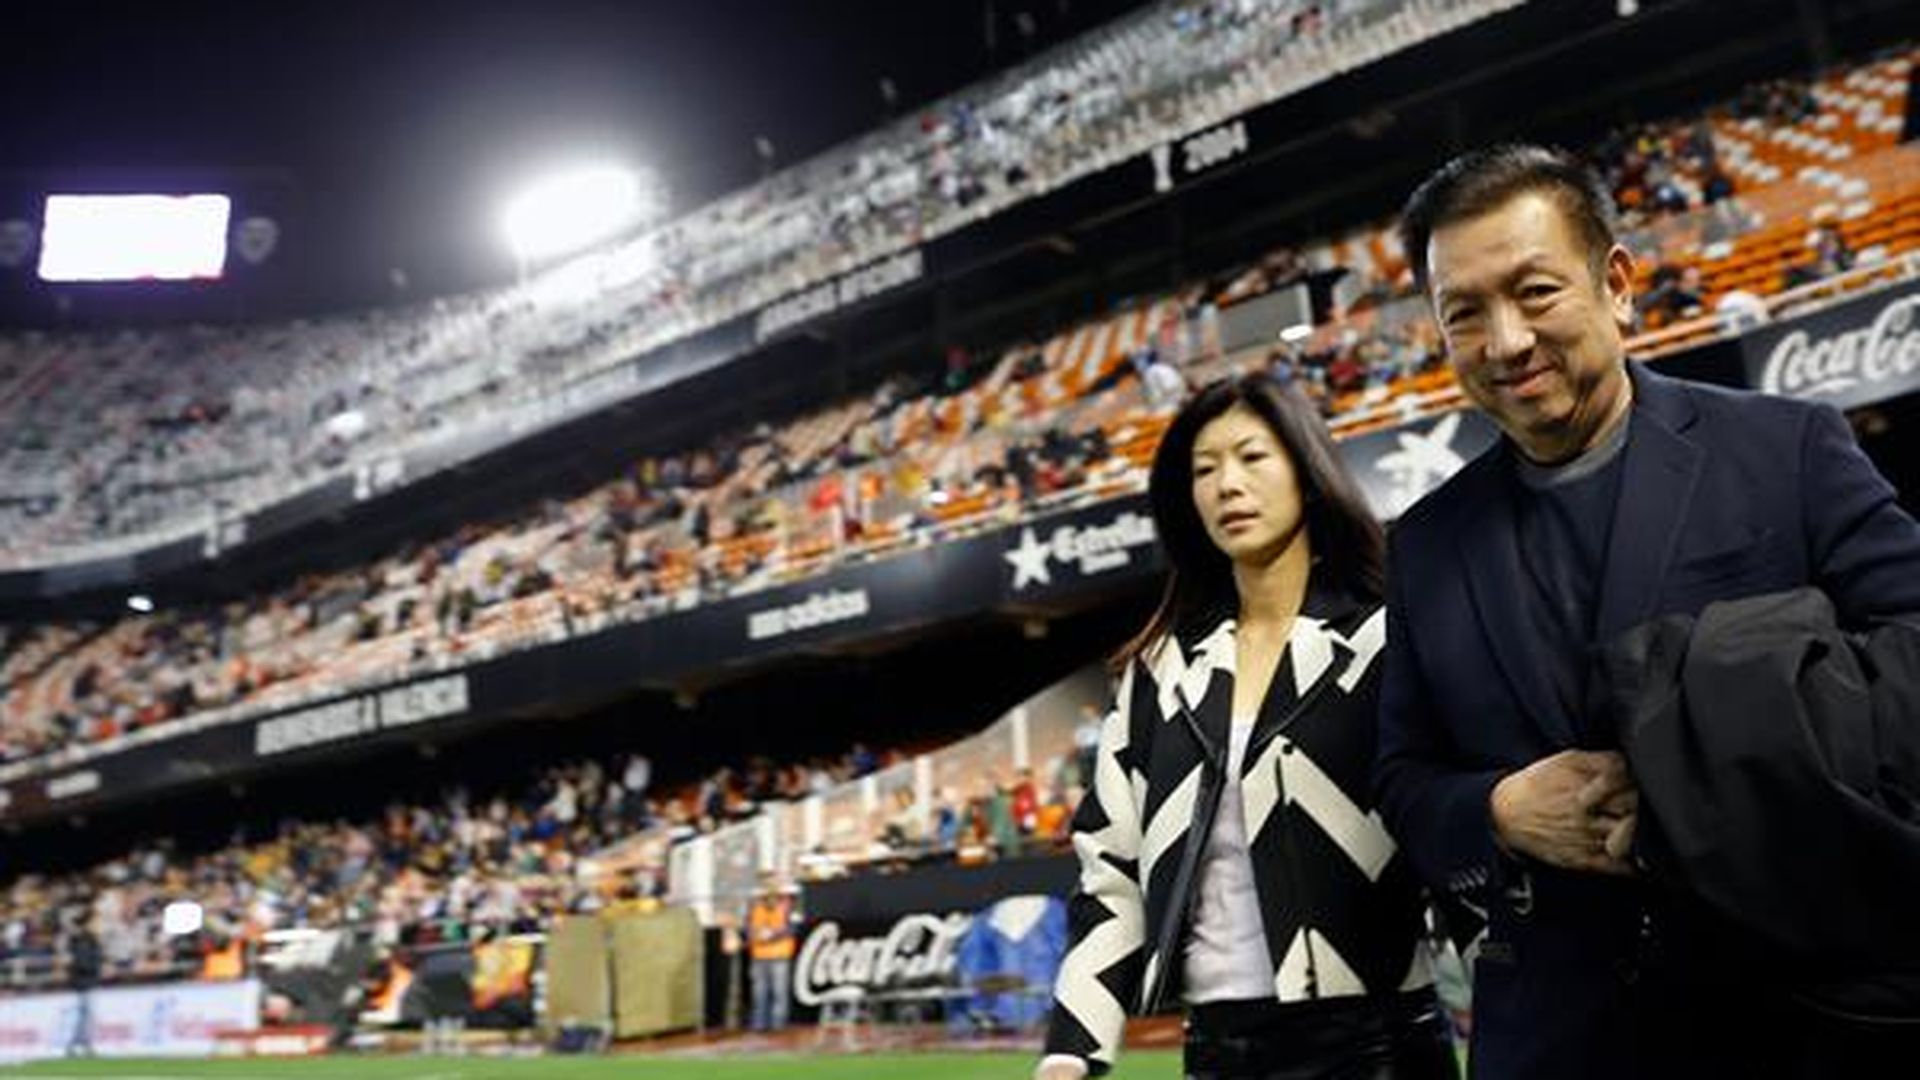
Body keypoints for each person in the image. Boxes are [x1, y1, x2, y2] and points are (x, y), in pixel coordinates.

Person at [1373, 144, 1920, 1078]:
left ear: (1616, 283)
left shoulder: (1785, 449)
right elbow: (1403, 777)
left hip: (1802, 1025)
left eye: (1535, 292)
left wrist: (1701, 757)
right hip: (1551, 1041)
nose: (1506, 341)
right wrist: (1499, 811)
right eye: (1465, 313)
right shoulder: (1424, 544)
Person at [1039, 374, 1455, 1080]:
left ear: (1307, 468)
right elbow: (1110, 873)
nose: (1227, 484)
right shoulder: (1159, 672)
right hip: (1217, 1047)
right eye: (1204, 469)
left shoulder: (1387, 638)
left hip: (1380, 1044)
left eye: (1252, 457)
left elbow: (1456, 826)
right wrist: (1072, 1053)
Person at [746, 875, 799, 1033]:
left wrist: (771, 934)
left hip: (779, 955)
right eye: (766, 886)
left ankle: (778, 1025)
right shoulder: (754, 906)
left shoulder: (788, 905)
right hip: (759, 955)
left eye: (773, 886)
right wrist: (755, 934)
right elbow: (747, 927)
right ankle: (759, 1024)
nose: (769, 890)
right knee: (759, 993)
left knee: (779, 993)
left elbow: (792, 929)